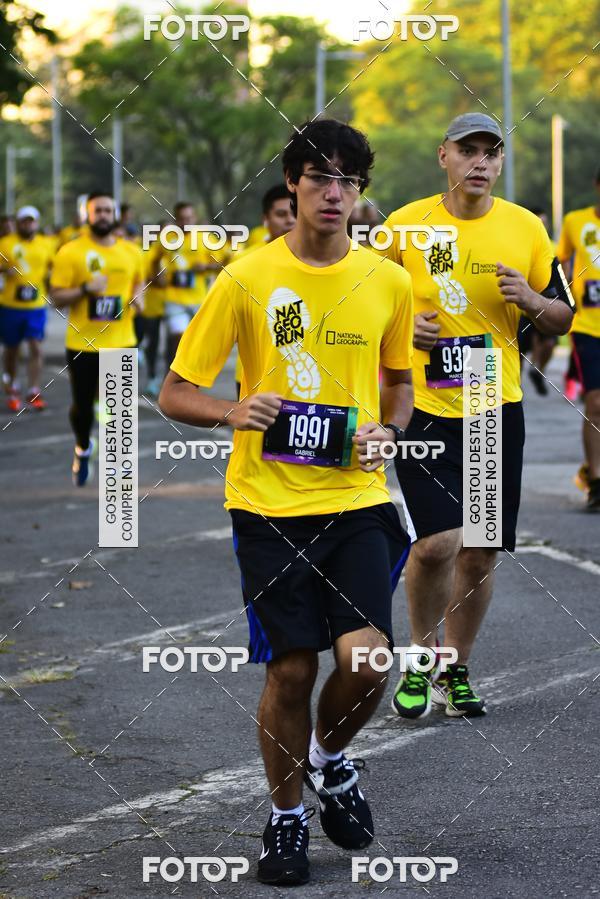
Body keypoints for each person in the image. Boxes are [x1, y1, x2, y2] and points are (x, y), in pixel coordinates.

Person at [159, 118, 414, 886]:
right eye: (320, 177)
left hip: (358, 497)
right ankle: (286, 818)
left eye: (349, 181)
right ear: (294, 185)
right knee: (293, 673)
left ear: (359, 193)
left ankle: (331, 762)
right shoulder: (245, 279)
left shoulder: (390, 281)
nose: (335, 193)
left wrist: (389, 429)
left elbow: (399, 383)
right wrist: (232, 412)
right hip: (268, 504)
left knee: (368, 664)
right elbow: (175, 389)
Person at [377, 113, 574, 719]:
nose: (480, 162)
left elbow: (563, 315)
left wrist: (534, 301)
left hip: (494, 401)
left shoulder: (526, 227)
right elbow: (354, 296)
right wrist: (403, 324)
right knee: (436, 544)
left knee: (480, 550)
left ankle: (453, 669)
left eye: (491, 152)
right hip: (424, 404)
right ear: (444, 157)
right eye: (468, 150)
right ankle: (418, 656)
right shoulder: (404, 225)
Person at [50, 192, 143, 486]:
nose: (102, 215)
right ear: (86, 216)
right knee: (82, 409)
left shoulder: (131, 251)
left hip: (121, 340)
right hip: (83, 344)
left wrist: (139, 296)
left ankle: (117, 465)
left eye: (107, 210)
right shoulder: (70, 252)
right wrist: (85, 289)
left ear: (114, 214)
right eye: (97, 211)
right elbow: (56, 297)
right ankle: (83, 446)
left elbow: (139, 280)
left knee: (118, 407)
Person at [557, 168, 600, 510]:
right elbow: (558, 264)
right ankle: (596, 479)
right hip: (587, 326)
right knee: (596, 403)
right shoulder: (576, 221)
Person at [234, 184, 296, 396]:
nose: (289, 220)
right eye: (281, 214)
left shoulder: (317, 261)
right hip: (252, 374)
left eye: (294, 212)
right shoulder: (243, 261)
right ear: (265, 219)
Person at [0, 206, 55, 411]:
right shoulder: (5, 244)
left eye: (31, 221)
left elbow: (55, 268)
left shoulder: (46, 244)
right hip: (10, 306)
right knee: (12, 350)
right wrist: (5, 269)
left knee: (35, 347)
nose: (28, 224)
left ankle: (33, 390)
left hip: (36, 306)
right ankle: (12, 385)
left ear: (37, 223)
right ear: (19, 222)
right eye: (24, 221)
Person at [159, 201, 221, 365]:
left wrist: (206, 266)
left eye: (189, 218)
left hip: (199, 299)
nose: (186, 222)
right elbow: (153, 261)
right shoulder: (167, 239)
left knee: (195, 344)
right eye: (182, 219)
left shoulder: (206, 238)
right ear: (175, 220)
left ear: (195, 218)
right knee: (178, 337)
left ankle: (187, 381)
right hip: (174, 298)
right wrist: (159, 276)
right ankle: (171, 374)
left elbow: (221, 265)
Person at [518, 207, 559, 396]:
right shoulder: (516, 245)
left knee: (549, 344)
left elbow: (562, 273)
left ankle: (537, 370)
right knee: (516, 352)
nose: (540, 226)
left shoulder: (552, 247)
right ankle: (514, 389)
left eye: (544, 222)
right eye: (537, 222)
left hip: (543, 307)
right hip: (519, 313)